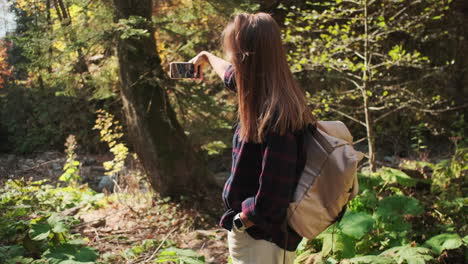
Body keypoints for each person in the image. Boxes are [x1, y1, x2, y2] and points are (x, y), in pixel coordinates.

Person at [189, 12, 317, 264]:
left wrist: (241, 221)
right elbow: (231, 76)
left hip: (260, 237)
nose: (230, 61)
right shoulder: (267, 92)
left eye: (232, 55)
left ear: (247, 59)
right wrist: (206, 57)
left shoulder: (275, 116)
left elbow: (273, 197)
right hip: (261, 236)